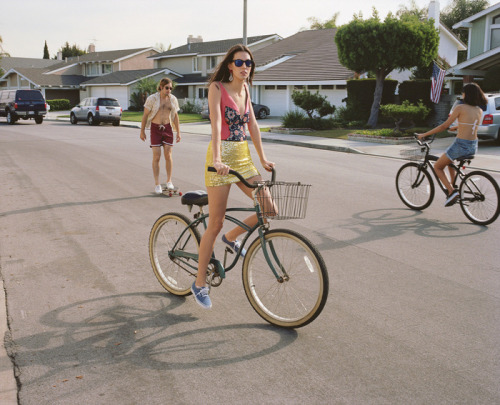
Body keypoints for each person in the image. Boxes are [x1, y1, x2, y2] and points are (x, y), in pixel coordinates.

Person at [191, 44, 275, 309]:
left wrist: (262, 158)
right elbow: (216, 124)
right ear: (230, 65)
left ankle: (232, 237)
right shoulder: (217, 88)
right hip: (221, 160)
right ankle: (199, 283)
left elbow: (253, 125)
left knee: (269, 208)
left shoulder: (247, 89)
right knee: (214, 223)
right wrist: (217, 159)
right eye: (239, 63)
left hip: (243, 157)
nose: (244, 67)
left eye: (248, 63)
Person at [417, 82, 487, 207]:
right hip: (473, 146)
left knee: (437, 166)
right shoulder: (479, 110)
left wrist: (424, 134)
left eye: (463, 92)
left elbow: (444, 125)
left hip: (460, 145)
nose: (462, 94)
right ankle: (453, 185)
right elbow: (470, 124)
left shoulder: (460, 108)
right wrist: (458, 127)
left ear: (466, 94)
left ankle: (452, 191)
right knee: (449, 161)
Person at [140, 78, 181, 194]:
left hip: (168, 128)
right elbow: (145, 115)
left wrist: (178, 132)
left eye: (171, 88)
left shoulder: (173, 99)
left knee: (168, 155)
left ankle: (169, 180)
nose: (169, 90)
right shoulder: (152, 99)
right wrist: (142, 131)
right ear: (161, 87)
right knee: (156, 157)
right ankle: (157, 184)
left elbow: (175, 116)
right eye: (167, 88)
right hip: (155, 128)